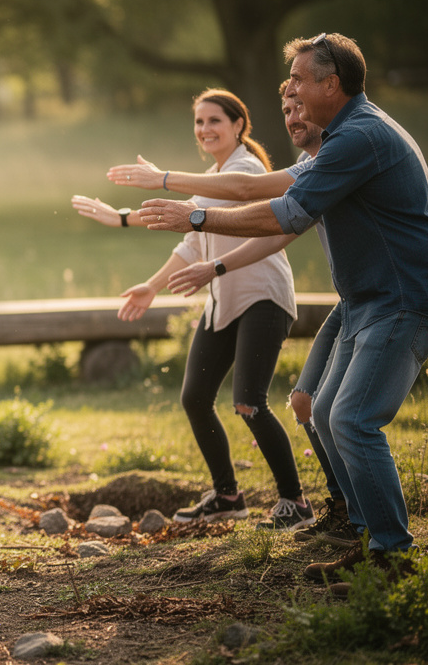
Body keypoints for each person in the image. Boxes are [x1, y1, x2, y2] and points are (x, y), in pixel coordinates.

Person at [135, 34, 428, 596]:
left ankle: (393, 555)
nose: (290, 87)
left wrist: (195, 219)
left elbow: (284, 215)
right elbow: (255, 186)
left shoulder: (360, 137)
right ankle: (365, 539)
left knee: (352, 419)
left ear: (330, 85)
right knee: (324, 410)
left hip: (405, 297)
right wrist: (175, 186)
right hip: (368, 300)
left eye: (299, 78)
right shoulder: (338, 140)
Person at [99, 83, 355, 544]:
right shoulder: (216, 173)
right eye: (199, 122)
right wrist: (151, 287)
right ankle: (228, 497)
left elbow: (199, 209)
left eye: (214, 120)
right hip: (223, 301)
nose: (205, 129)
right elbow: (192, 239)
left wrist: (123, 216)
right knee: (195, 397)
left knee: (248, 402)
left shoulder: (245, 168)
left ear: (239, 126)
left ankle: (295, 502)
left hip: (262, 297)